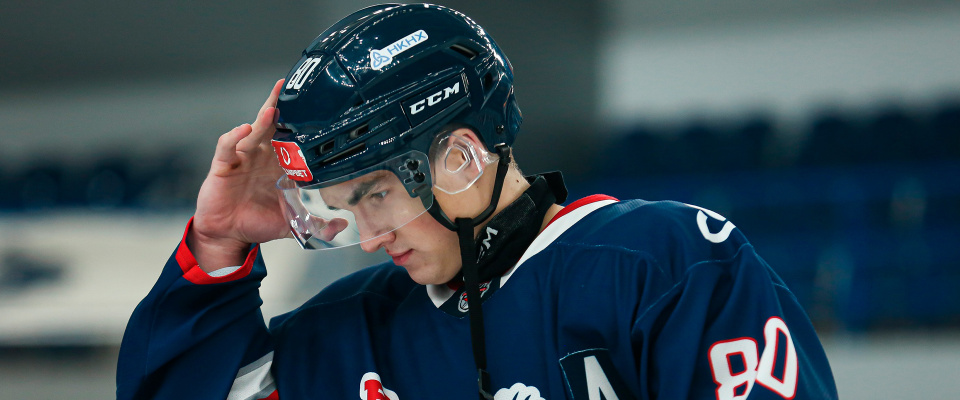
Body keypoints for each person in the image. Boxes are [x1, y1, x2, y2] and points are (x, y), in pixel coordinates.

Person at [116, 4, 838, 400]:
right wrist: (217, 244)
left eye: (375, 196)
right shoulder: (348, 331)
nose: (370, 236)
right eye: (344, 208)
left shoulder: (662, 265)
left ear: (459, 157)